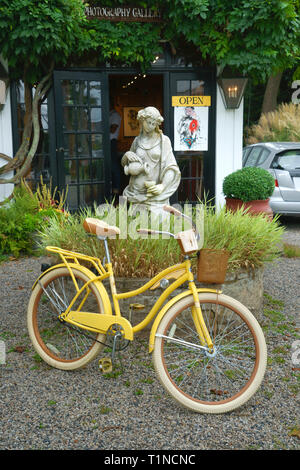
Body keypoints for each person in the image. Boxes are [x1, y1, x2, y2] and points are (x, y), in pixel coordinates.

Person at [121, 106, 181, 206]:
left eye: (154, 124)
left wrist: (163, 186)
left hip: (154, 193)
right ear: (142, 120)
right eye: (148, 122)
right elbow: (125, 165)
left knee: (157, 220)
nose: (151, 126)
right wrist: (127, 155)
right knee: (137, 219)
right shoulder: (137, 141)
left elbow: (171, 167)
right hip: (135, 192)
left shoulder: (163, 141)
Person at [109, 98, 122, 197]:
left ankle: (116, 189)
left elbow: (113, 129)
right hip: (108, 142)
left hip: (112, 142)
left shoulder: (115, 115)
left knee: (114, 166)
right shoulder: (109, 114)